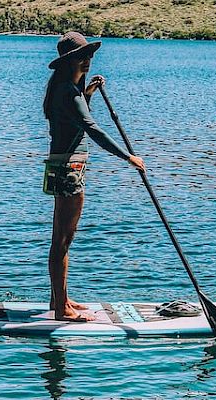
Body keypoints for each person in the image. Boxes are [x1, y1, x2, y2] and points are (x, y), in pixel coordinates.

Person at [41, 32, 146, 322]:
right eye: (82, 57)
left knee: (62, 238)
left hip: (64, 166)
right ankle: (61, 309)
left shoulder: (66, 89)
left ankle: (58, 298)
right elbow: (92, 129)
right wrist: (128, 157)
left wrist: (87, 94)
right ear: (69, 61)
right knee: (62, 240)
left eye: (89, 56)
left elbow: (73, 120)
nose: (88, 61)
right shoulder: (67, 91)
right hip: (69, 169)